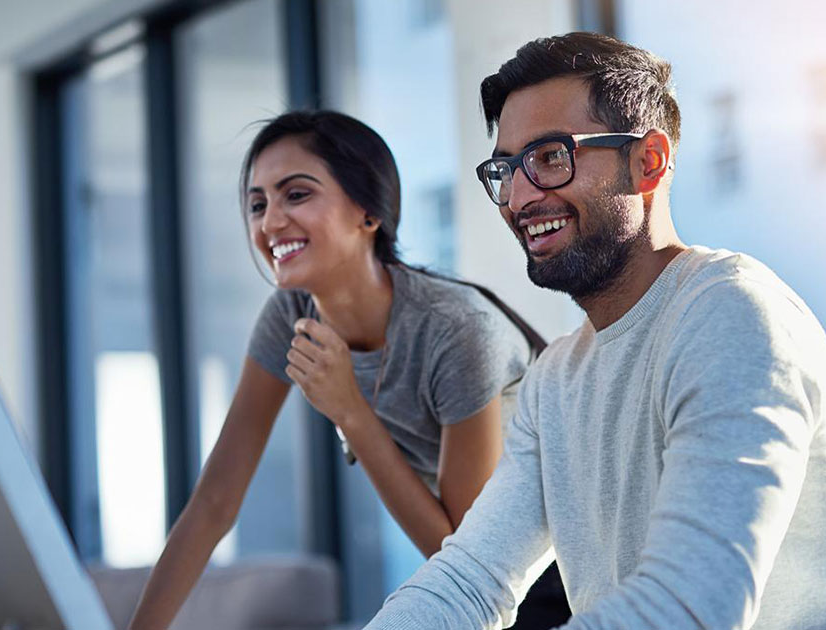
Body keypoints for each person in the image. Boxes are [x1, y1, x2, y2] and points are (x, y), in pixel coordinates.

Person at [363, 32, 826, 630]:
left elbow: (691, 607)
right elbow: (470, 579)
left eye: (550, 158)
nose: (518, 198)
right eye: (506, 170)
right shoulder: (555, 379)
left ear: (648, 162)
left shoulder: (731, 314)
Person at [127, 111, 569, 630]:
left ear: (368, 213)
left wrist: (351, 413)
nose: (269, 223)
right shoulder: (291, 313)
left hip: (558, 570)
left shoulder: (455, 330)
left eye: (296, 195)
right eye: (257, 204)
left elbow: (462, 556)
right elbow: (215, 501)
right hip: (478, 576)